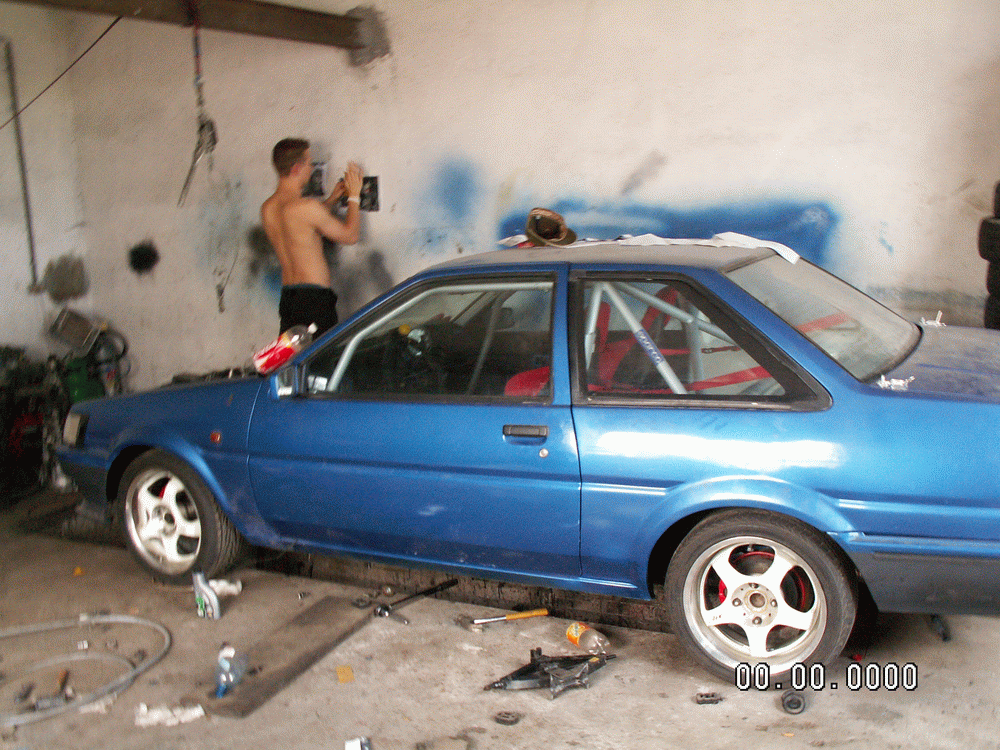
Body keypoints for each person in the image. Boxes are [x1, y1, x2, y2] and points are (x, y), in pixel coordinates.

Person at [261, 138, 363, 335]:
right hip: (314, 301)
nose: (311, 168)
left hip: (289, 298)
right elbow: (351, 236)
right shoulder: (306, 207)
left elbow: (300, 226)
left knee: (295, 353)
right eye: (309, 163)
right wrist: (354, 195)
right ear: (297, 168)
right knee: (321, 354)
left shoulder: (268, 209)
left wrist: (331, 199)